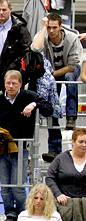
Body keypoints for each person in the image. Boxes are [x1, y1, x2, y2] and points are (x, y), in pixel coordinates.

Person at [0, 70, 52, 221]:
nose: (10, 86)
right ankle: (9, 212)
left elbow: (48, 108)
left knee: (18, 186)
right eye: (8, 83)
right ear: (4, 84)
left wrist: (34, 104)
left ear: (20, 84)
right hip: (2, 148)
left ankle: (23, 213)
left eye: (14, 83)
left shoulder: (28, 96)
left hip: (21, 148)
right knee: (5, 186)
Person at [32, 13, 82, 155]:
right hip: (50, 76)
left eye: (54, 27)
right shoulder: (44, 37)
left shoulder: (72, 39)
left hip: (65, 72)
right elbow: (35, 48)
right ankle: (54, 149)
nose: (51, 31)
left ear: (61, 27)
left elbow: (72, 66)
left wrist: (52, 75)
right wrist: (43, 28)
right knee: (51, 106)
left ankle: (71, 116)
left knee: (69, 77)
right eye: (49, 27)